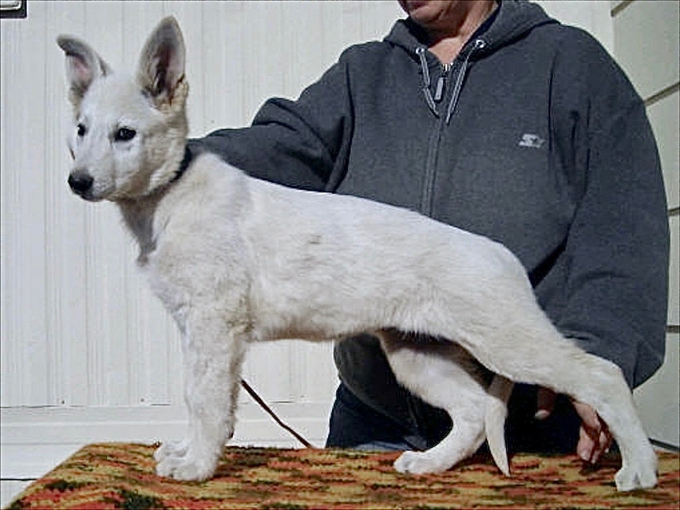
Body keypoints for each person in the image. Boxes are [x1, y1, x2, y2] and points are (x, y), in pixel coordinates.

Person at [187, 0, 669, 464]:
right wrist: (155, 156)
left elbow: (622, 225)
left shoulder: (569, 66)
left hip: (534, 430)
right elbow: (280, 147)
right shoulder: (362, 74)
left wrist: (598, 345)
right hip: (374, 424)